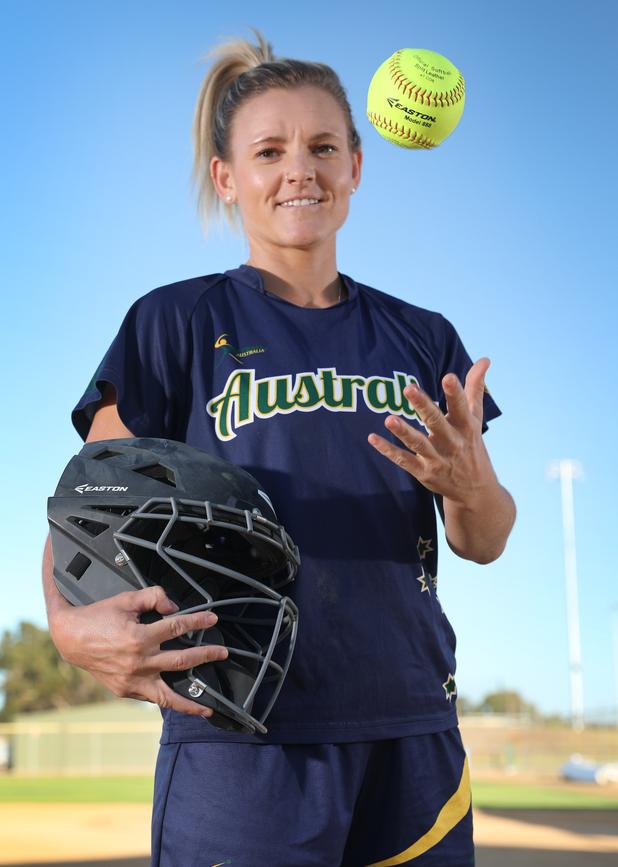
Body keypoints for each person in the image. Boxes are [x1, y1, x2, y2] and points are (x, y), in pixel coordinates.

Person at [42, 28, 516, 867]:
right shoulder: (174, 323)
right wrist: (68, 626)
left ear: (357, 167)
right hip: (240, 728)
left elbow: (483, 539)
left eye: (323, 146)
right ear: (228, 178)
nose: (301, 168)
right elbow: (88, 502)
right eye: (270, 150)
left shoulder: (422, 336)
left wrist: (471, 483)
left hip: (411, 724)